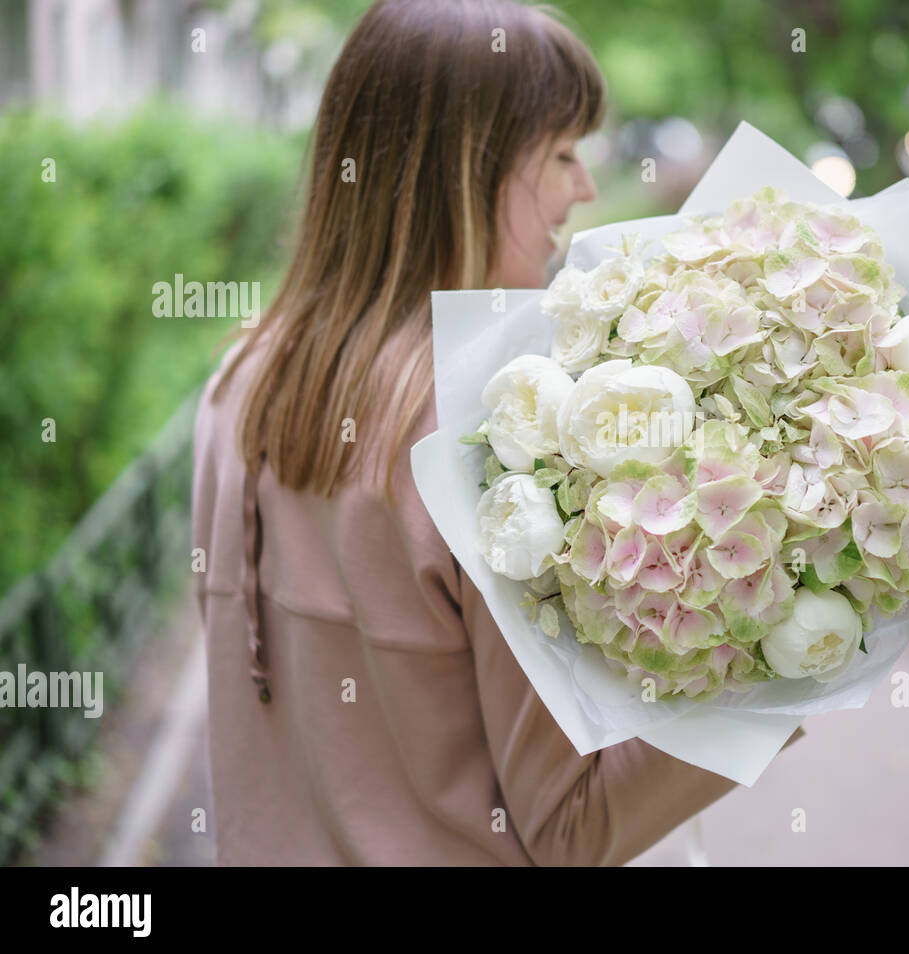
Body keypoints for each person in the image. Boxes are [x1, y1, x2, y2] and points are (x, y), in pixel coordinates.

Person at [192, 0, 801, 866]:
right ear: (462, 172)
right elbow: (571, 828)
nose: (584, 188)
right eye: (560, 154)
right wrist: (801, 649)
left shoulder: (237, 381)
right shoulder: (486, 434)